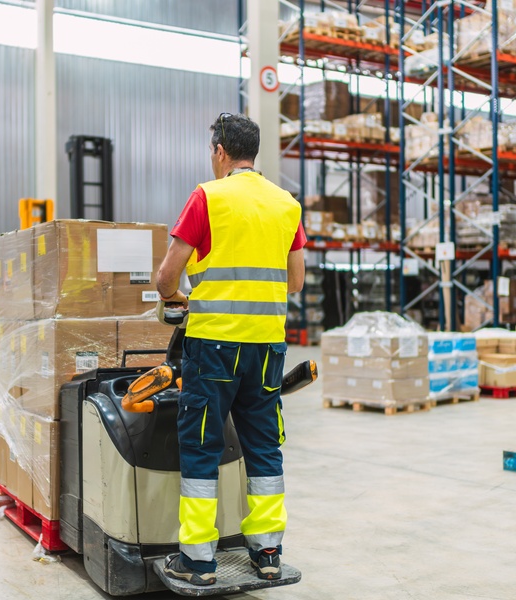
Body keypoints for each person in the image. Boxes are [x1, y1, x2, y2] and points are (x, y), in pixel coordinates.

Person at [155, 112, 306, 586]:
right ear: (253, 152)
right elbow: (296, 281)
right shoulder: (287, 205)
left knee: (202, 446)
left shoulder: (207, 197)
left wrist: (179, 297)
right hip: (267, 348)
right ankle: (267, 553)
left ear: (220, 151)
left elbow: (165, 279)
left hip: (214, 345)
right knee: (264, 446)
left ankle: (198, 561)